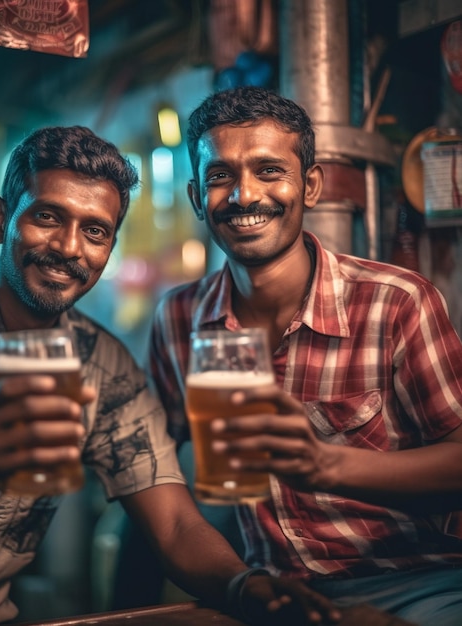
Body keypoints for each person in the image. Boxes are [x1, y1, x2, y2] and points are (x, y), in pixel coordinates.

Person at [0, 125, 341, 625]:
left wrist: (246, 587)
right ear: (0, 219)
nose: (69, 248)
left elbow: (173, 525)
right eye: (48, 217)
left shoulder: (103, 363)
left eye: (95, 231)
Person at [148, 86, 462, 626]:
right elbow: (158, 479)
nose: (244, 195)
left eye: (269, 170)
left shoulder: (393, 301)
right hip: (276, 595)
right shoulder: (179, 319)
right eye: (220, 176)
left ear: (309, 186)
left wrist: (326, 464)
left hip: (421, 584)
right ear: (197, 196)